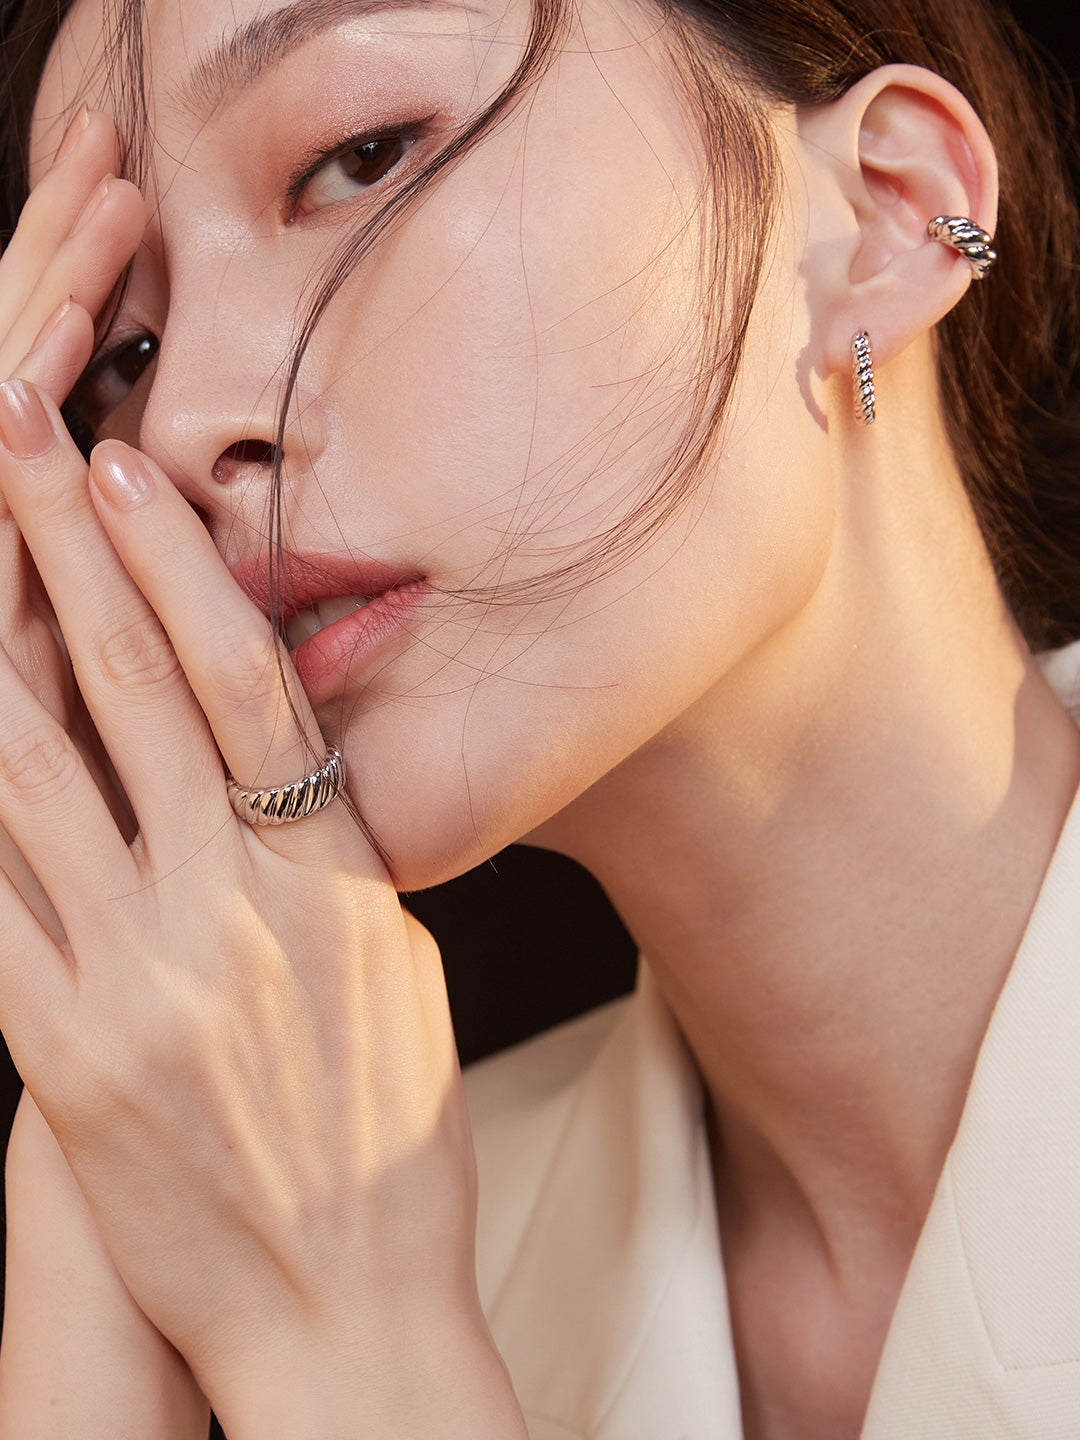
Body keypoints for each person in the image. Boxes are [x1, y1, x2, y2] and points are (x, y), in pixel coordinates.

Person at [0, 0, 1076, 1435]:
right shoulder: (302, 1229)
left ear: (891, 216)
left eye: (356, 156)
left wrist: (352, 1355)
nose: (181, 424)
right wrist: (93, 1210)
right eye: (120, 358)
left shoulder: (332, 1279)